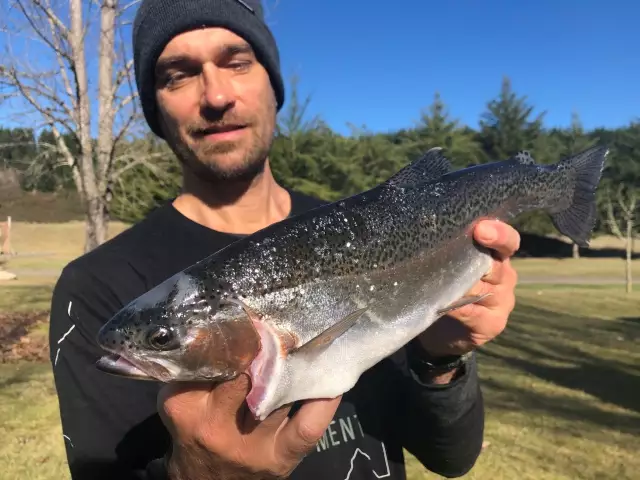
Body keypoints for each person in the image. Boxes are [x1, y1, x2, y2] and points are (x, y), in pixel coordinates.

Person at [48, 0, 520, 478]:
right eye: (178, 74)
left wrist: (440, 357)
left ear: (273, 86)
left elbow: (451, 459)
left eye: (236, 63)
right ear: (154, 106)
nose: (215, 96)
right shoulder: (97, 287)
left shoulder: (363, 231)